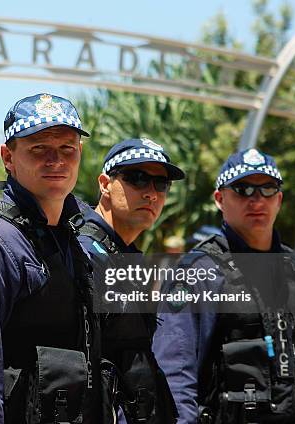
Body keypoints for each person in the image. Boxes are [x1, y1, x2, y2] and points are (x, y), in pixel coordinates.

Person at [0, 93, 119, 423]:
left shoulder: (75, 239)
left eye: (67, 149)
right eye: (39, 149)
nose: (56, 160)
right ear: (8, 157)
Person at [153, 148, 295, 423]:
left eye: (267, 189)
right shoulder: (198, 274)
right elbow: (175, 375)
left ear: (279, 199)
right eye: (242, 189)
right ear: (220, 199)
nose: (256, 200)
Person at [78, 138, 185, 422]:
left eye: (160, 184)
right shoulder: (81, 253)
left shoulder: (127, 258)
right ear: (104, 184)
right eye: (137, 179)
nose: (151, 194)